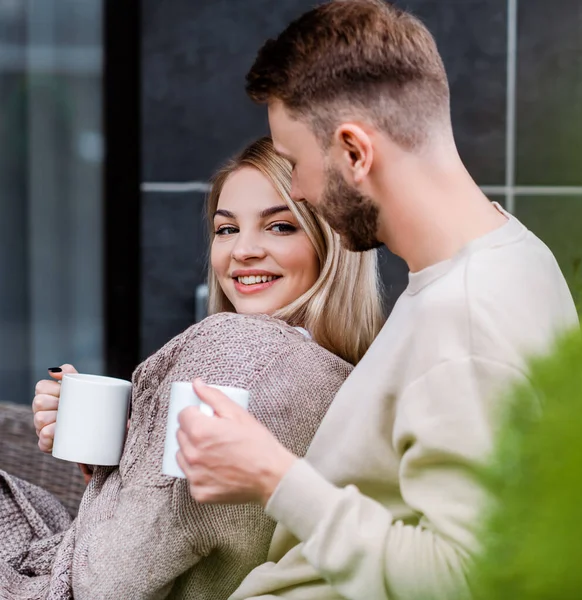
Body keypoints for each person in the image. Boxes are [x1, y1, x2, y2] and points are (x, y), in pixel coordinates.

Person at [174, 2, 579, 599]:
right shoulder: (514, 254)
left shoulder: (463, 318)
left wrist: (274, 477)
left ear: (355, 153)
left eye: (295, 164)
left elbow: (469, 579)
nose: (304, 192)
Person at [11, 136, 383, 600]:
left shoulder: (241, 352)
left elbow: (106, 580)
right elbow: (191, 526)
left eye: (281, 226)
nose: (242, 251)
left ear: (333, 242)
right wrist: (119, 451)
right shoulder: (352, 375)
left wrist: (122, 470)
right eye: (226, 229)